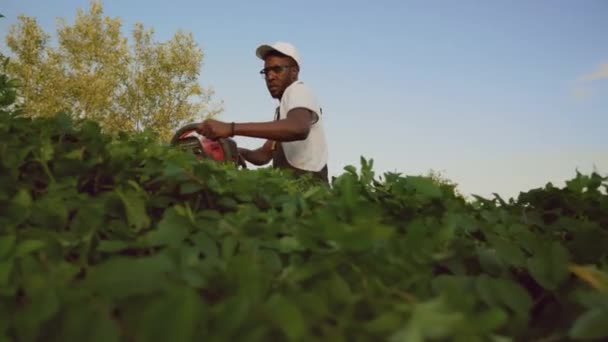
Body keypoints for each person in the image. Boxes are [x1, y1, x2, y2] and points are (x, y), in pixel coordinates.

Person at [197, 42, 329, 183]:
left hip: (310, 191)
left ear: (294, 72)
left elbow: (298, 128)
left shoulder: (298, 90)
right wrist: (233, 151)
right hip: (292, 191)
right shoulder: (284, 113)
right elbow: (263, 156)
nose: (270, 77)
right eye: (266, 72)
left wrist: (231, 128)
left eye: (277, 69)